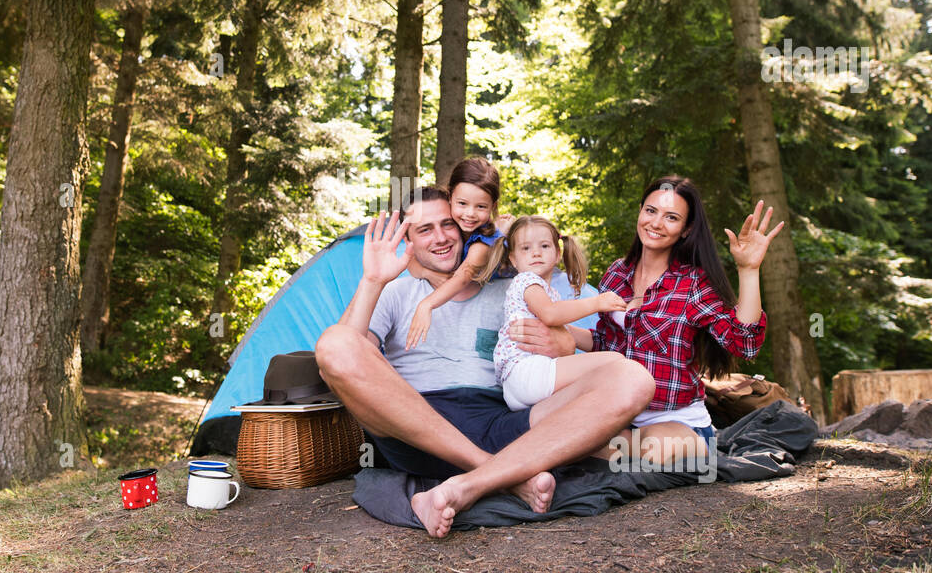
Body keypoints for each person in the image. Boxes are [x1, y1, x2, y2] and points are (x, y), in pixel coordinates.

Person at [314, 185, 656, 538]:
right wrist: (372, 280)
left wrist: (564, 344)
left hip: (500, 423)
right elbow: (342, 361)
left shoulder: (511, 290)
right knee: (335, 342)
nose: (440, 237)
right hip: (414, 423)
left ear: (465, 226)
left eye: (447, 224)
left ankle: (470, 483)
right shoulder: (396, 293)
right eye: (424, 230)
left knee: (633, 379)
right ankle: (500, 476)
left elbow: (563, 344)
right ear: (410, 242)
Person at [582, 176, 782, 467]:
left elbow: (744, 344)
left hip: (674, 423)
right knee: (559, 432)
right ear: (640, 212)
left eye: (671, 217)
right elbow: (605, 343)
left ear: (686, 229)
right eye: (650, 211)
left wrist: (749, 269)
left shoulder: (693, 284)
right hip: (616, 414)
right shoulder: (616, 274)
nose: (656, 223)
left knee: (643, 452)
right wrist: (562, 334)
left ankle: (700, 446)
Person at [486, 215, 628, 411]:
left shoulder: (548, 291)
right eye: (526, 248)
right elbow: (550, 314)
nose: (536, 253)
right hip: (527, 372)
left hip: (526, 381)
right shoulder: (526, 281)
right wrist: (597, 302)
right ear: (513, 259)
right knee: (616, 362)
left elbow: (557, 323)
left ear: (557, 253)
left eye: (544, 246)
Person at [405, 158, 512, 350]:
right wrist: (430, 274)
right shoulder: (454, 228)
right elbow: (411, 263)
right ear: (450, 197)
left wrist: (426, 305)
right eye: (462, 203)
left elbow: (464, 276)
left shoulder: (484, 240)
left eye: (481, 207)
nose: (470, 214)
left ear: (493, 207)